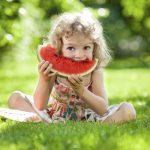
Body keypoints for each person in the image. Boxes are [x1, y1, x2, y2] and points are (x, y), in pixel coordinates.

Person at [7, 12, 136, 123]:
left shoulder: (96, 71)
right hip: (56, 115)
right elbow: (40, 105)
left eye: (86, 47)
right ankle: (44, 121)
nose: (79, 55)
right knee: (15, 98)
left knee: (128, 110)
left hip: (90, 117)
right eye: (70, 48)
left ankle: (99, 125)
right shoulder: (53, 68)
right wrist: (44, 80)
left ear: (94, 47)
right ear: (59, 47)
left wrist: (82, 91)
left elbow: (102, 109)